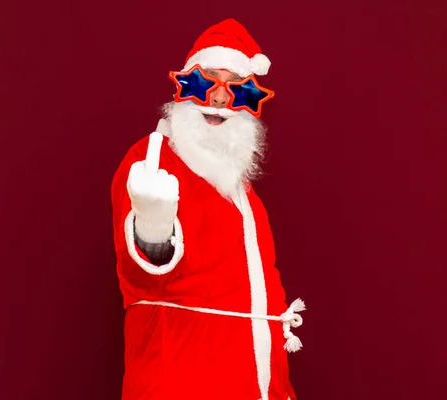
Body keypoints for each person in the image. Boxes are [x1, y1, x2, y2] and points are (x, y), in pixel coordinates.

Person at [111, 18, 305, 400]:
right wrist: (152, 230)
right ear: (183, 86)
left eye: (236, 89)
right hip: (182, 379)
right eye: (205, 83)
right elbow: (143, 276)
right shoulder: (150, 160)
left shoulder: (244, 195)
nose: (218, 99)